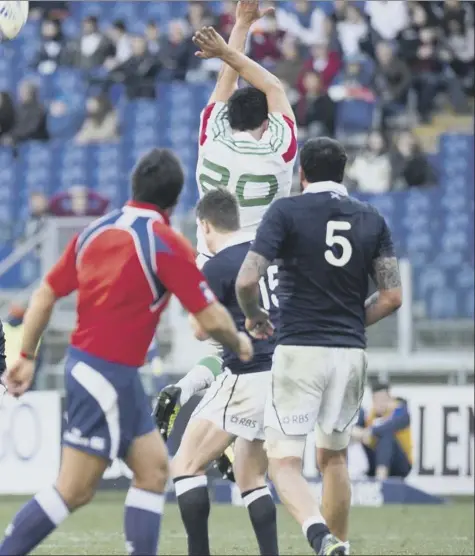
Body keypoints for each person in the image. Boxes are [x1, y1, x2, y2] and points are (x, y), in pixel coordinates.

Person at [0, 148, 253, 556]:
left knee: (154, 471)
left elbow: (46, 292)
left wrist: (25, 357)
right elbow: (211, 317)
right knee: (73, 489)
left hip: (106, 372)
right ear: (173, 201)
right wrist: (240, 342)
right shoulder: (166, 244)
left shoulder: (94, 231)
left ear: (133, 186)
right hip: (106, 375)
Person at [235, 137, 403, 555]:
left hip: (300, 350)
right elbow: (391, 296)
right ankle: (340, 545)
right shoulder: (373, 219)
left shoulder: (286, 211)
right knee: (335, 459)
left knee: (285, 463)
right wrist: (350, 321)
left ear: (302, 174)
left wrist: (254, 315)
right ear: (342, 174)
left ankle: (319, 535)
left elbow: (245, 279)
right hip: (349, 353)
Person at [155, 1, 297, 453]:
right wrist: (232, 46)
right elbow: (270, 83)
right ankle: (236, 438)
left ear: (227, 118)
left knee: (220, 343)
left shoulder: (210, 142)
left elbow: (226, 84)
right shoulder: (279, 153)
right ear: (266, 122)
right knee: (258, 357)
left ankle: (199, 399)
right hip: (258, 267)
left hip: (208, 260)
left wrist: (237, 31)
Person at [171, 188, 279, 556]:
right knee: (251, 476)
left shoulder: (217, 266)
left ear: (204, 225)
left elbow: (201, 330)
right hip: (285, 374)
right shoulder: (269, 258)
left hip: (249, 374)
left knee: (185, 466)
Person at [352, 381, 412, 480]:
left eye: (384, 399)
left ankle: (380, 479)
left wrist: (370, 431)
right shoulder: (370, 416)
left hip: (399, 463)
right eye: (377, 400)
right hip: (374, 460)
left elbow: (393, 425)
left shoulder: (400, 410)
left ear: (390, 399)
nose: (381, 403)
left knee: (386, 435)